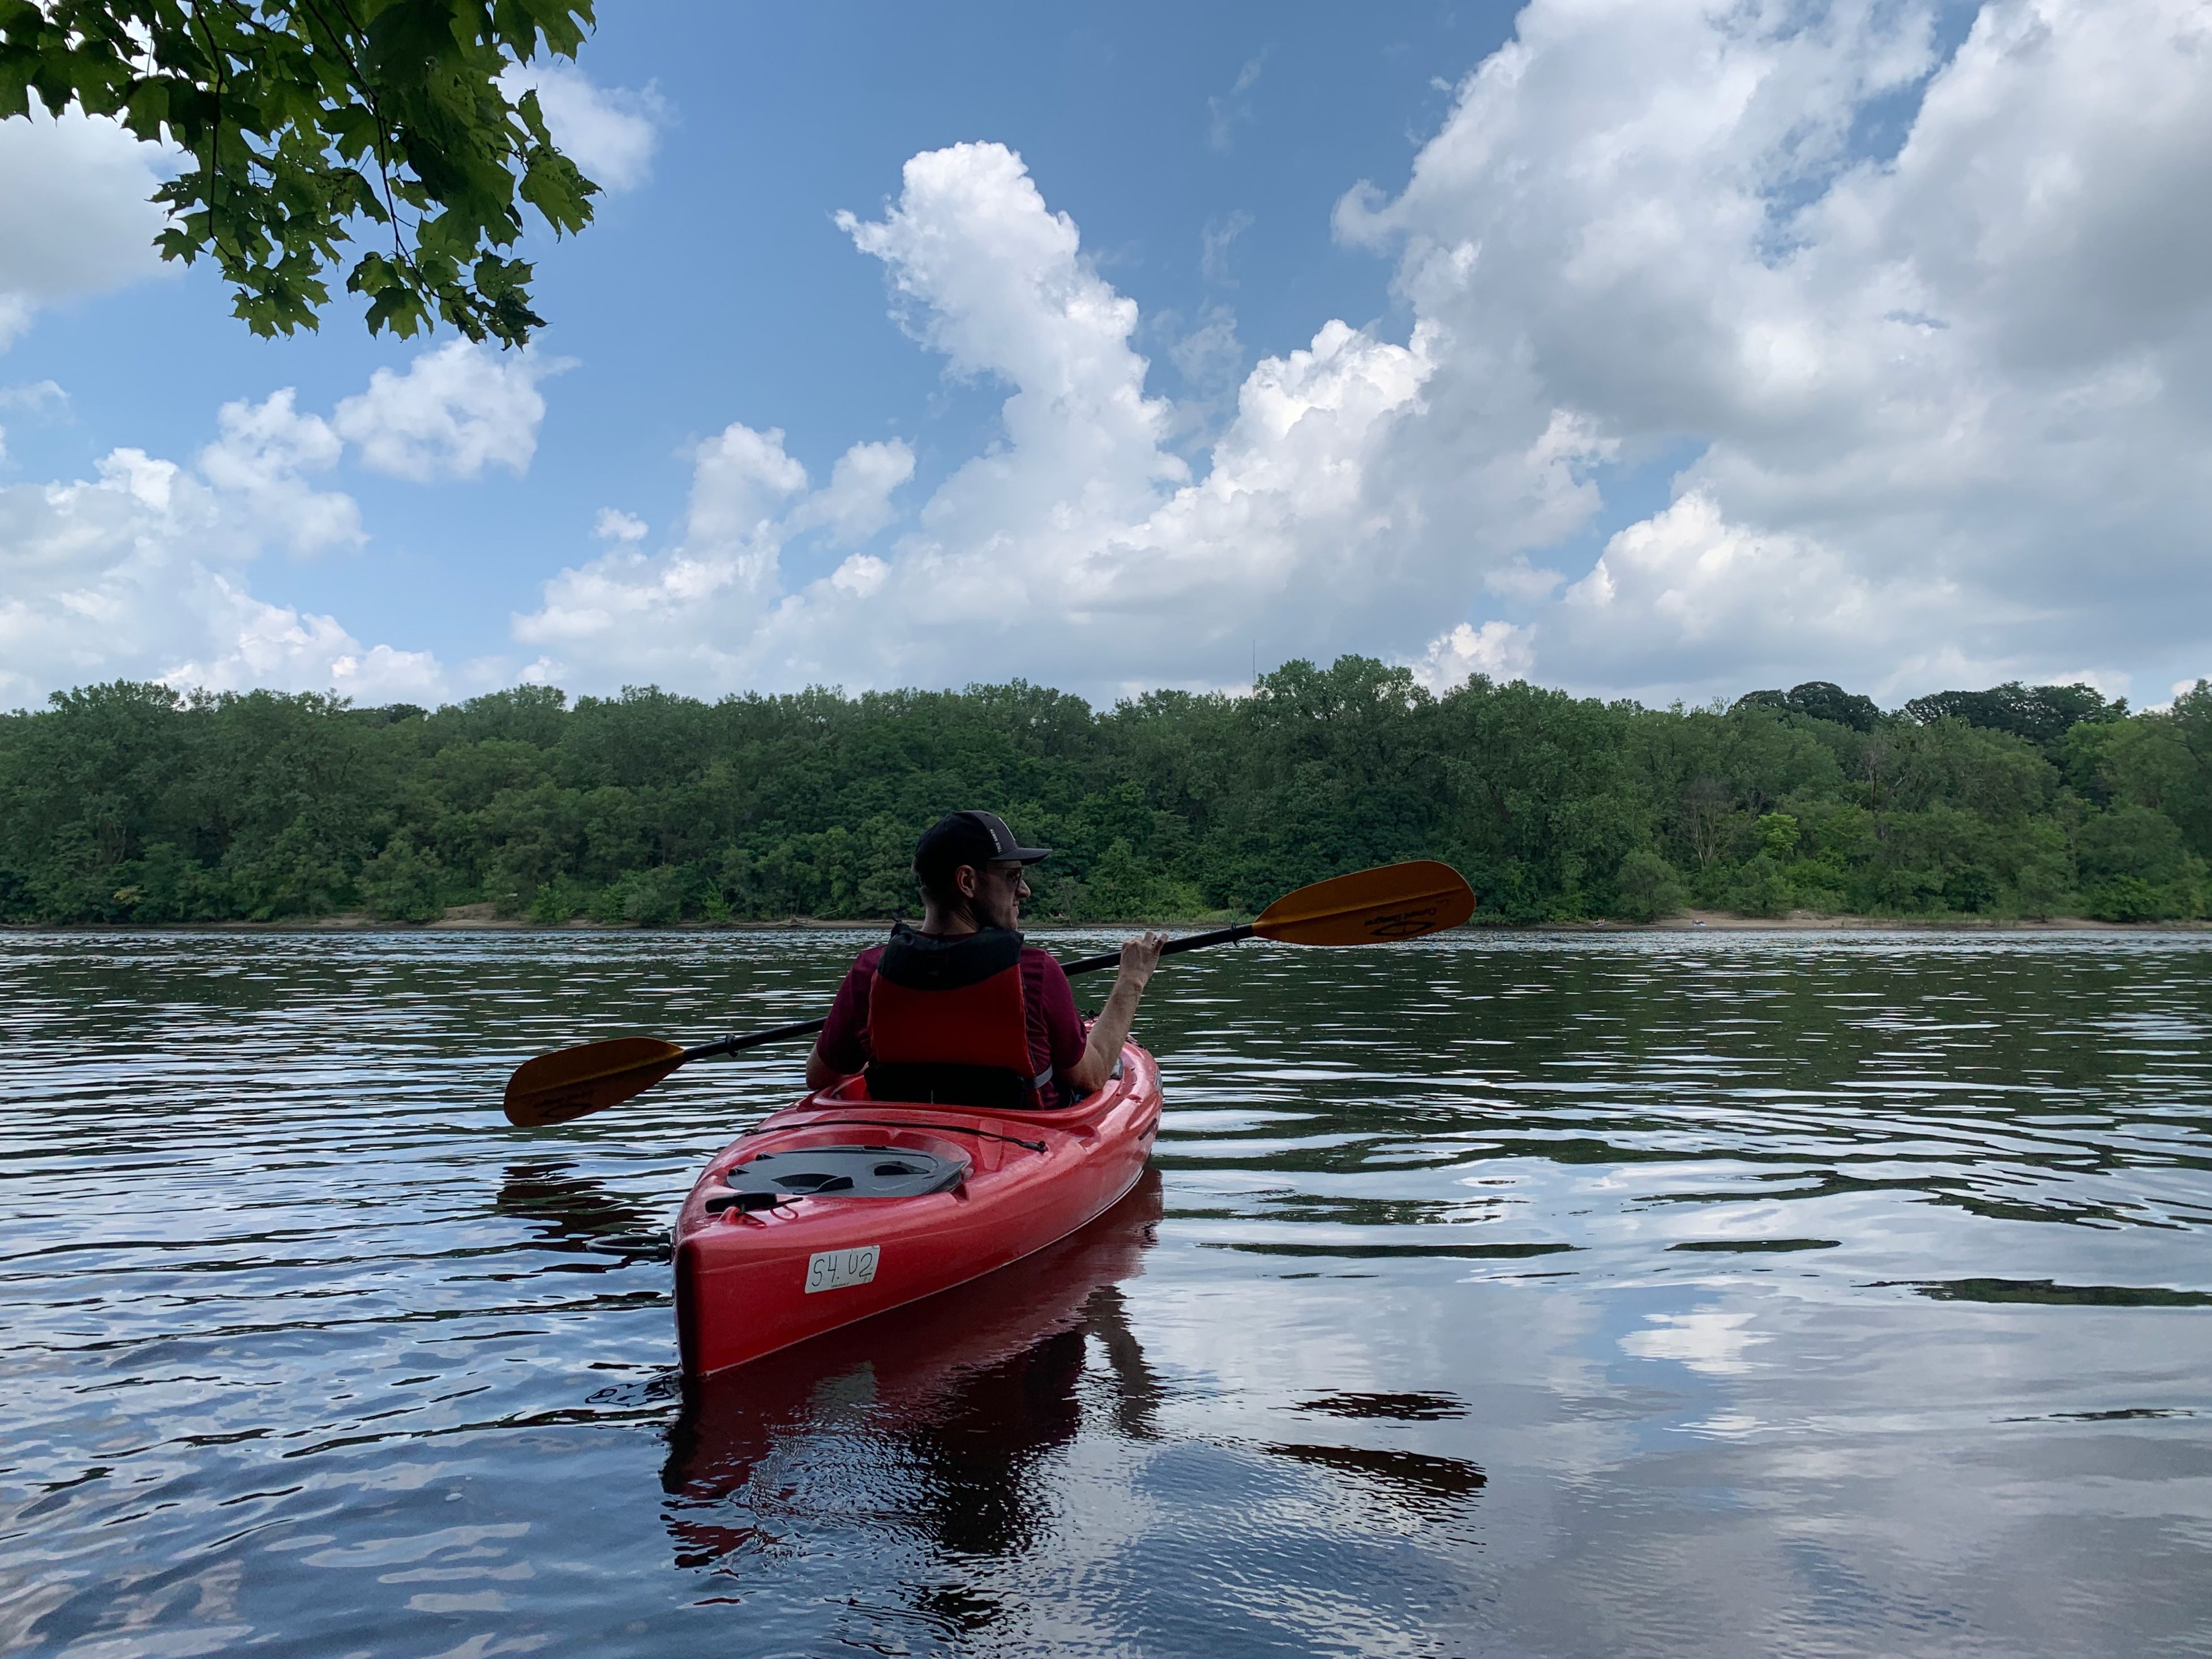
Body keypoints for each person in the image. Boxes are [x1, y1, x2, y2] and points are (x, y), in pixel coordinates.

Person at [804, 811, 1167, 1108]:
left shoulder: (870, 971)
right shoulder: (1036, 973)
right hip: (1019, 1149)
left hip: (905, 1152)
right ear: (967, 882)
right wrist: (1131, 980)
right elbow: (1091, 1075)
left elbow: (821, 1077)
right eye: (1013, 877)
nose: (1024, 891)